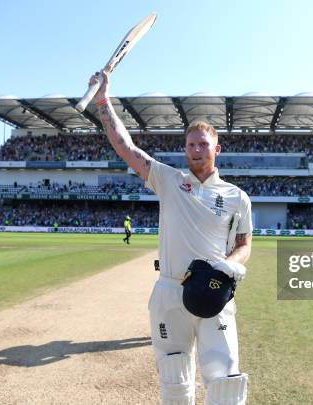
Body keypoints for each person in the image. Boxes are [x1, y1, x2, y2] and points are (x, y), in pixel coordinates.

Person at [90, 71, 252, 405]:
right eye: (191, 144)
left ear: (216, 149)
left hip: (212, 291)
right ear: (185, 148)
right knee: (174, 379)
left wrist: (229, 265)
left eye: (203, 144)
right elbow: (126, 147)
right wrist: (104, 103)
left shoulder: (237, 196)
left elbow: (244, 245)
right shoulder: (168, 179)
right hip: (169, 292)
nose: (196, 150)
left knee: (223, 378)